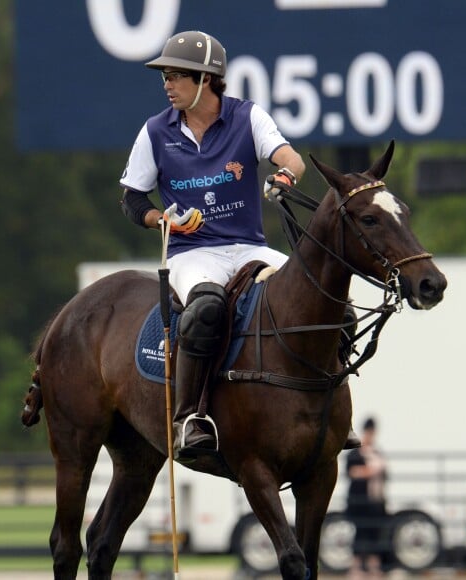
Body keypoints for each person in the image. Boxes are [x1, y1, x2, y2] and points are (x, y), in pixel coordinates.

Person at [119, 30, 359, 461]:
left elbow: (291, 158)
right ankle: (191, 417)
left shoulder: (248, 117)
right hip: (193, 255)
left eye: (175, 76)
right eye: (165, 77)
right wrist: (163, 220)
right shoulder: (155, 131)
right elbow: (132, 200)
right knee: (206, 307)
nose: (167, 84)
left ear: (206, 79)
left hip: (249, 247)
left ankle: (333, 410)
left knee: (332, 303)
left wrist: (283, 177)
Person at [345, 417, 388, 579]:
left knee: (375, 533)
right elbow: (352, 473)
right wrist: (371, 470)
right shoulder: (356, 453)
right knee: (359, 533)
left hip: (375, 501)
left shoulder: (377, 452)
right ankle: (355, 566)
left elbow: (384, 475)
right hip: (359, 502)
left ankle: (373, 567)